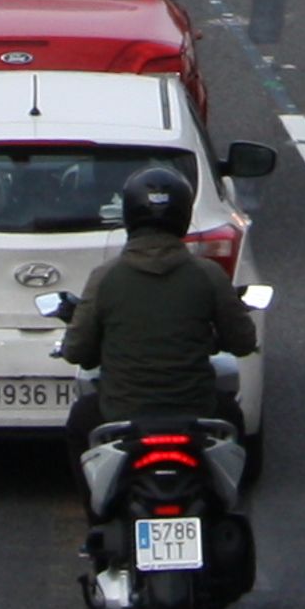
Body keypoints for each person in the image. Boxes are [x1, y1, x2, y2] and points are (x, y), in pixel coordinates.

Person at [55, 164, 260, 467]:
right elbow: (243, 342)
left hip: (120, 412)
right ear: (183, 216)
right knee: (233, 418)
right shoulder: (208, 275)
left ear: (129, 215)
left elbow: (76, 351)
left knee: (78, 424)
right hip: (197, 408)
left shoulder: (105, 278)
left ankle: (95, 512)